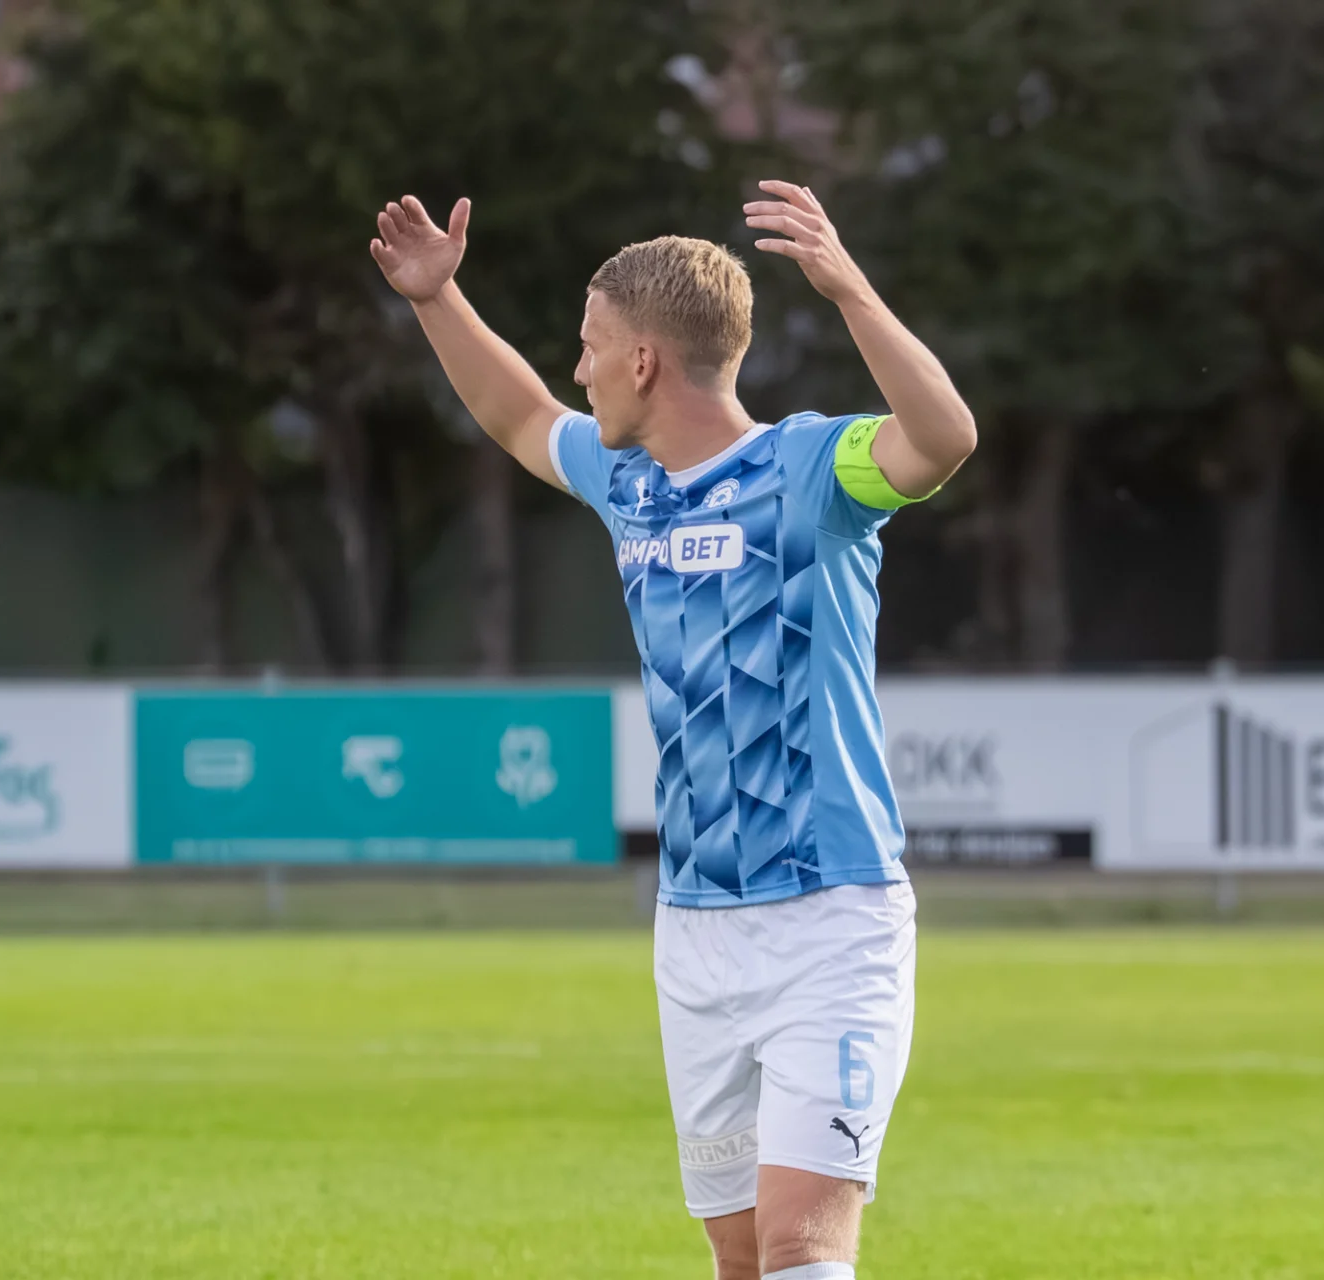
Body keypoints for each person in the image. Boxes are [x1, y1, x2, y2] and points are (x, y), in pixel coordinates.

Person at [371, 180, 976, 1280]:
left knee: (802, 1244)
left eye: (592, 345)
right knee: (741, 1256)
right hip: (693, 931)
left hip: (830, 921)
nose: (580, 368)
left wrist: (846, 288)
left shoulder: (809, 471)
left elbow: (943, 438)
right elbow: (516, 416)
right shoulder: (630, 482)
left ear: (643, 360)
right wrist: (437, 300)